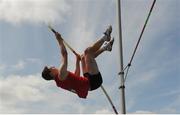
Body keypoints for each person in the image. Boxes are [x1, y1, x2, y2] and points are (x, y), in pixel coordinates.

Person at [42, 25, 114, 99]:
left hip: (88, 81)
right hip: (93, 82)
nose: (53, 67)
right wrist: (59, 41)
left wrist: (77, 61)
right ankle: (105, 37)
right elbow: (64, 55)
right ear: (50, 73)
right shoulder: (60, 74)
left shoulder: (60, 82)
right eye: (51, 68)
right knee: (88, 52)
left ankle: (106, 48)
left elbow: (76, 75)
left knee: (83, 57)